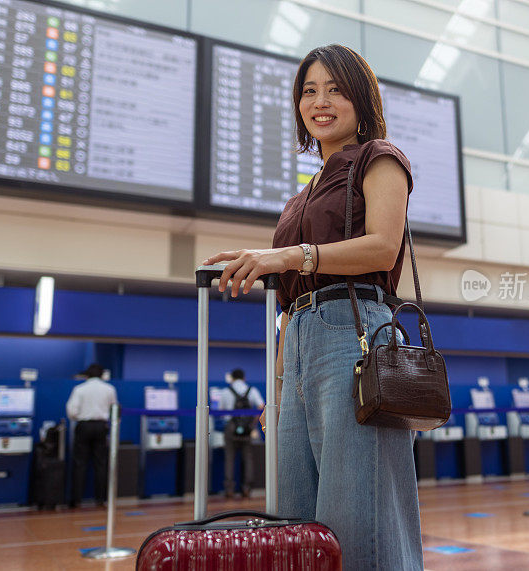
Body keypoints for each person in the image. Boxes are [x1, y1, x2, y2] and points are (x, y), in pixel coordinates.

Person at [203, 44, 423, 569]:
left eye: (335, 89)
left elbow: (382, 248)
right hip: (299, 340)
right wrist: (278, 387)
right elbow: (292, 304)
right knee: (294, 520)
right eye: (308, 91)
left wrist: (287, 254)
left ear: (361, 99)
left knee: (356, 510)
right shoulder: (301, 196)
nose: (319, 101)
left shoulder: (380, 158)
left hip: (356, 333)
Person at [66, 363, 117, 508]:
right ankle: (100, 499)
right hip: (102, 426)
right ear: (102, 375)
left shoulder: (79, 389)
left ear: (87, 375)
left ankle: (77, 500)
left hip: (84, 426)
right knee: (101, 463)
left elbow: (72, 411)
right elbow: (114, 409)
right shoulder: (109, 389)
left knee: (80, 463)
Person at [219, 368, 264, 498]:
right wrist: (252, 424)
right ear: (244, 378)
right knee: (248, 457)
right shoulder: (252, 390)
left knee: (229, 458)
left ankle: (229, 489)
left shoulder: (225, 391)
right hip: (247, 428)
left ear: (232, 378)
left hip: (230, 427)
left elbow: (220, 410)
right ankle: (246, 488)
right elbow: (261, 406)